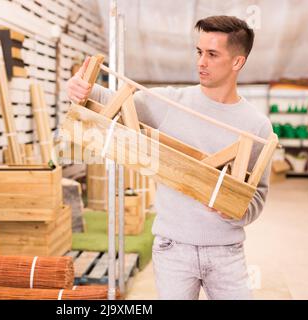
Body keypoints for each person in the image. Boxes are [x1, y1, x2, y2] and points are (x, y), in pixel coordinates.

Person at [66, 15, 272, 300]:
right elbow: (112, 102)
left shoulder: (257, 125)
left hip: (226, 253)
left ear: (237, 62)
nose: (201, 62)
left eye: (212, 55)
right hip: (173, 249)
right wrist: (81, 89)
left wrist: (237, 211)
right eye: (199, 52)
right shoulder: (170, 103)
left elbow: (258, 194)